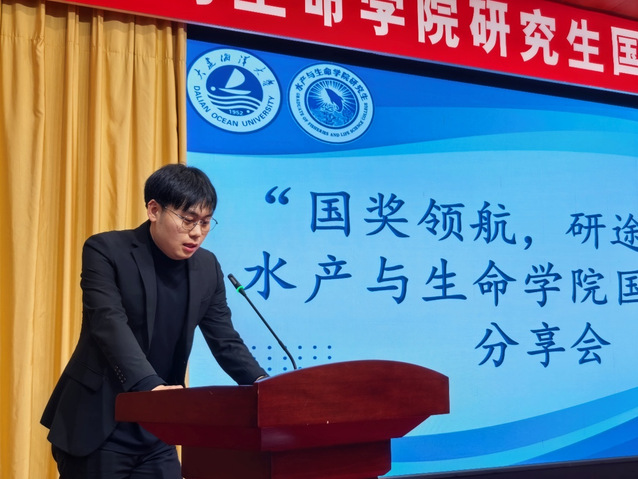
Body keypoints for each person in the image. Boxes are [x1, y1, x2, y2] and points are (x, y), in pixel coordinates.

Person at [41, 164, 267, 478]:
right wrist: (150, 387)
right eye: (187, 219)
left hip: (156, 429)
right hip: (98, 424)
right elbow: (109, 323)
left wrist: (263, 385)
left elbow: (225, 340)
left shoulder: (207, 267)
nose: (197, 232)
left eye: (205, 222)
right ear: (154, 210)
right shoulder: (106, 251)